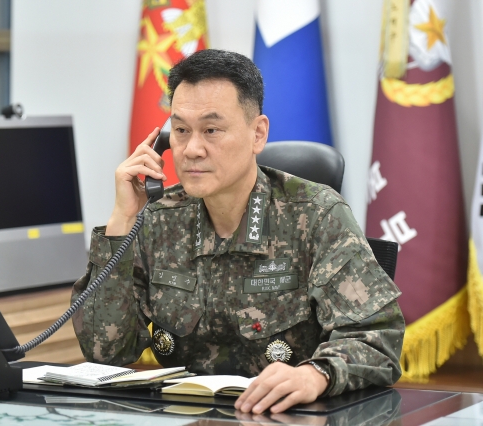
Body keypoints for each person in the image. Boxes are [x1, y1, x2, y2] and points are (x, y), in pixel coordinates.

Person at [71, 49, 404, 414]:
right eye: (181, 130)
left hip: (288, 418)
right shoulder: (158, 218)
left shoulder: (316, 215)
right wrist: (122, 219)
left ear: (257, 133)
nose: (192, 149)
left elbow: (378, 338)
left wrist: (315, 376)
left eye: (211, 130)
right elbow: (106, 352)